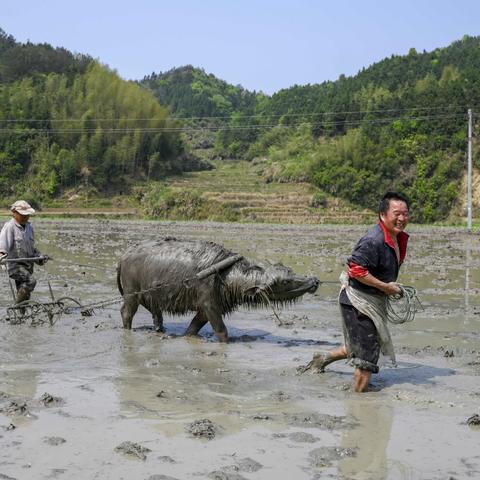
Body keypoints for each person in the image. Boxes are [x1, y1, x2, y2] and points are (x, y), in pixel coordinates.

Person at [313, 192, 411, 392]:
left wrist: (387, 288)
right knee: (367, 356)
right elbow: (356, 270)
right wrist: (386, 287)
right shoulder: (373, 240)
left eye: (405, 213)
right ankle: (359, 406)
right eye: (397, 213)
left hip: (373, 299)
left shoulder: (395, 237)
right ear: (383, 214)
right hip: (358, 301)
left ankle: (322, 359)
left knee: (359, 345)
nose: (402, 218)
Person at [0, 200, 48, 304]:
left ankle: (21, 314)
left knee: (25, 297)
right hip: (15, 266)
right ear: (14, 213)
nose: (26, 217)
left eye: (27, 215)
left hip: (28, 266)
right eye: (23, 215)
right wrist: (1, 255)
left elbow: (31, 249)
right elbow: (3, 245)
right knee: (31, 281)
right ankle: (15, 306)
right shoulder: (9, 227)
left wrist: (40, 257)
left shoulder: (29, 227)